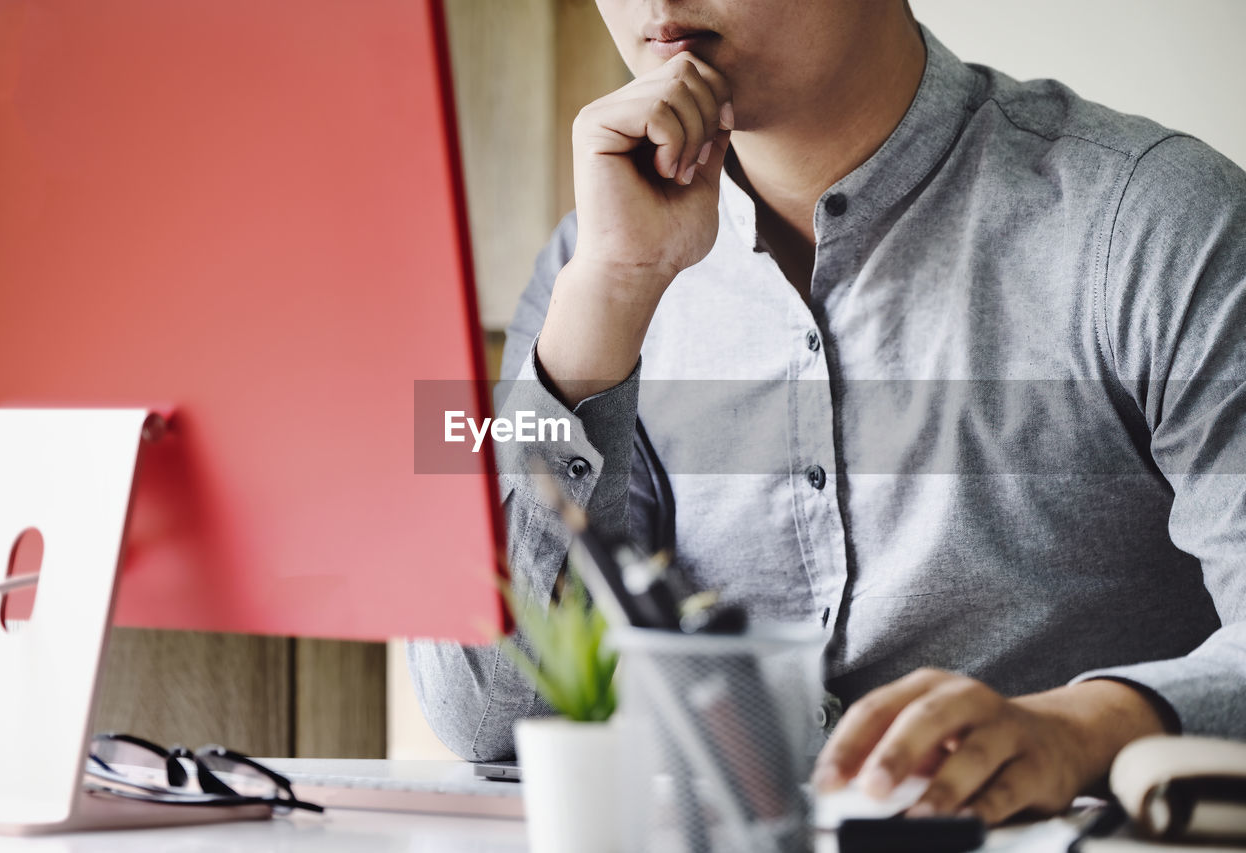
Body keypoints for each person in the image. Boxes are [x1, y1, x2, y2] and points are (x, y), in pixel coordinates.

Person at [410, 0, 1246, 824]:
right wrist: (609, 300)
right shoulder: (589, 262)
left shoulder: (1159, 222)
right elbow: (483, 718)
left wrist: (1083, 730)